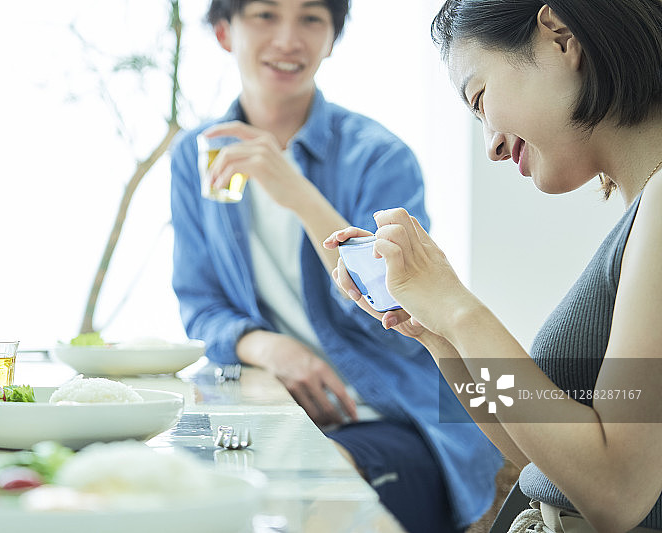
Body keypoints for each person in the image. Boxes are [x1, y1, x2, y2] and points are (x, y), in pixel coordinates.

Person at [325, 0, 662, 531]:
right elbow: (543, 460)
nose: (493, 147)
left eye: (481, 99)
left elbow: (617, 492)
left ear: (560, 36)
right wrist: (438, 333)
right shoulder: (642, 210)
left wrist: (458, 309)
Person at [170, 1, 503, 531]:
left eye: (311, 19)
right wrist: (271, 347)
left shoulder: (379, 157)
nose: (288, 39)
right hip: (270, 410)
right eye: (264, 15)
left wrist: (299, 195)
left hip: (388, 413)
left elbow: (402, 316)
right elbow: (201, 303)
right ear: (224, 33)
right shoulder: (198, 155)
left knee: (309, 507)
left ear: (331, 39)